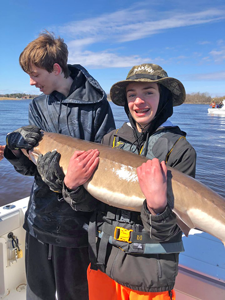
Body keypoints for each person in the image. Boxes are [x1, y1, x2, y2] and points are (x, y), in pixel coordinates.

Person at [63, 63, 196, 300]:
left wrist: (158, 207)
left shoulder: (180, 150)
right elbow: (88, 207)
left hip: (148, 277)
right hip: (101, 264)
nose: (138, 101)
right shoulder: (108, 141)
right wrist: (71, 186)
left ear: (163, 97)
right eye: (131, 95)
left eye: (148, 92)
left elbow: (170, 232)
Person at [4, 31, 115, 300]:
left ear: (56, 68)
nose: (31, 82)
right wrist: (16, 151)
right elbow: (32, 168)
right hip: (38, 220)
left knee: (74, 294)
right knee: (37, 293)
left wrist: (66, 181)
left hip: (76, 227)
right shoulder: (38, 106)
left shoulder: (98, 106)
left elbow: (105, 172)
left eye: (35, 75)